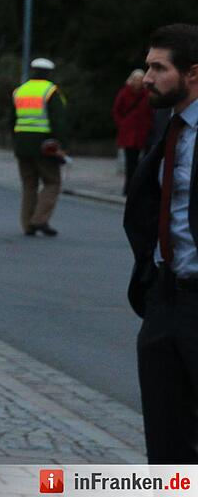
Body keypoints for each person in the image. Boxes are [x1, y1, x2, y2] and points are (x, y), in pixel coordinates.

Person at [125, 24, 198, 464]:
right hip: (165, 298)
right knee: (165, 440)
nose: (147, 76)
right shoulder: (167, 126)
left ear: (193, 73)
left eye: (158, 68)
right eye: (147, 65)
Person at [13, 57, 69, 236]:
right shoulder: (50, 91)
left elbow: (11, 120)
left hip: (22, 145)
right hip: (45, 146)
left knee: (29, 185)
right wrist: (63, 146)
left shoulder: (20, 91)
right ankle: (39, 219)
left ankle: (27, 224)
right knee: (52, 182)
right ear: (49, 73)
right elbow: (59, 121)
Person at [114, 68, 154, 196]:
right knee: (130, 163)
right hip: (129, 134)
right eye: (135, 79)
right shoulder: (125, 93)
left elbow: (151, 112)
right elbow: (116, 110)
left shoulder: (147, 94)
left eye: (140, 79)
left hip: (143, 133)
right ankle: (129, 188)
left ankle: (138, 188)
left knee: (142, 163)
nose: (138, 82)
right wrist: (122, 124)